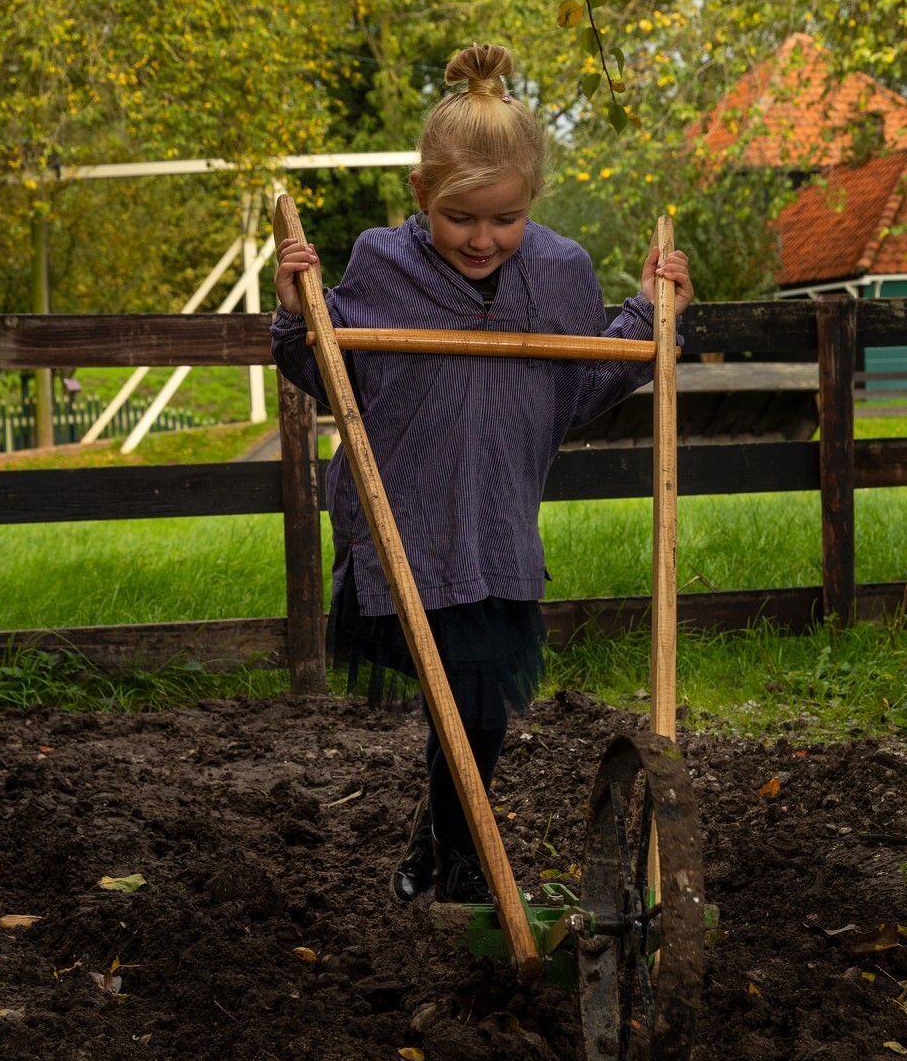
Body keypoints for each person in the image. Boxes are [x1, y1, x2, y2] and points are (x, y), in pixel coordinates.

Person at [271, 44, 692, 904]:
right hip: (404, 522)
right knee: (463, 703)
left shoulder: (561, 273)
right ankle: (460, 856)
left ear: (531, 202)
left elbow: (584, 382)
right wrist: (294, 312)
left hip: (496, 526)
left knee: (479, 705)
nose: (483, 239)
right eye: (463, 218)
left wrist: (655, 315)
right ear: (423, 195)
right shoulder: (384, 266)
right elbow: (332, 372)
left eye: (505, 220)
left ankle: (443, 844)